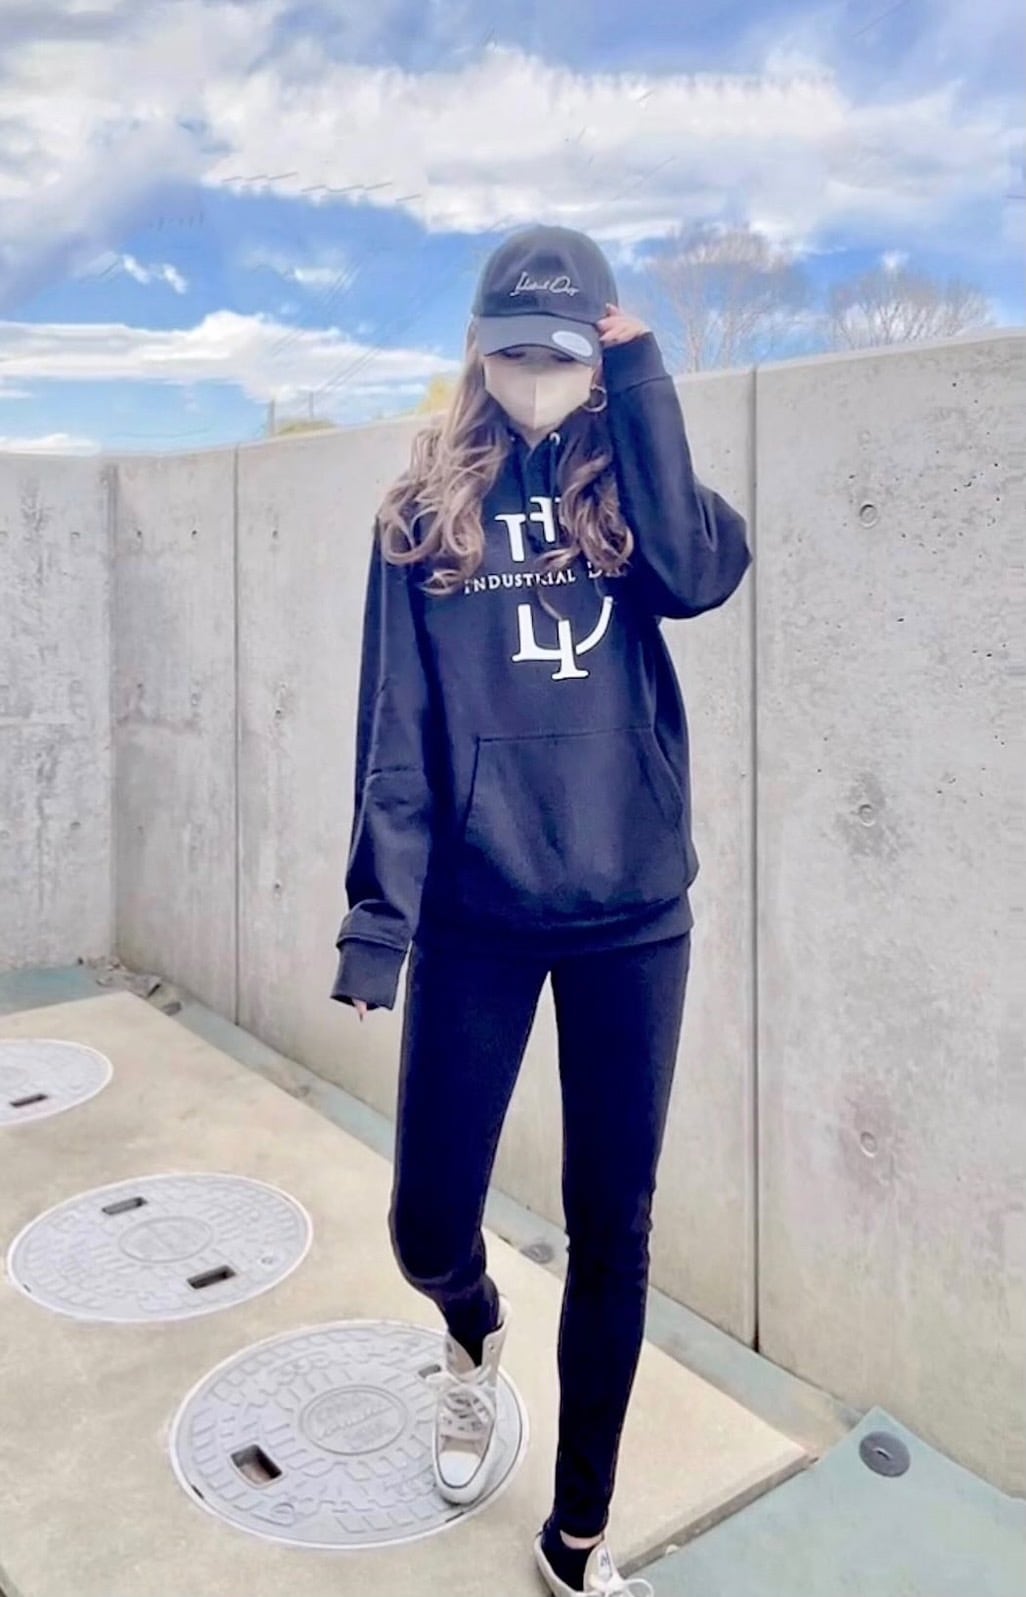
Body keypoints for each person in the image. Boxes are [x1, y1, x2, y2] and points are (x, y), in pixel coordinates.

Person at [330, 223, 751, 1597]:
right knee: (424, 1225)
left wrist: (640, 387)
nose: (533, 376)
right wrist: (378, 921)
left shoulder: (634, 488)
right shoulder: (417, 514)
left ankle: (577, 1535)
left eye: (561, 355)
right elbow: (395, 725)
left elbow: (698, 574)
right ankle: (471, 1332)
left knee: (611, 1227)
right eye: (512, 353)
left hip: (633, 915)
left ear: (598, 355)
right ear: (477, 351)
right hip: (477, 913)